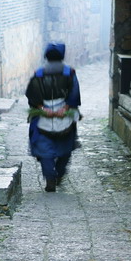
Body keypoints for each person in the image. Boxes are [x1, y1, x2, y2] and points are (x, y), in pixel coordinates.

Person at [25, 42, 81, 192]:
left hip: (43, 117)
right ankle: (59, 173)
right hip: (65, 118)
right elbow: (74, 94)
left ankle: (50, 177)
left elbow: (32, 95)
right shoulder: (70, 73)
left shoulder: (39, 74)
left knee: (45, 150)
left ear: (46, 56)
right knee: (65, 148)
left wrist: (42, 108)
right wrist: (65, 108)